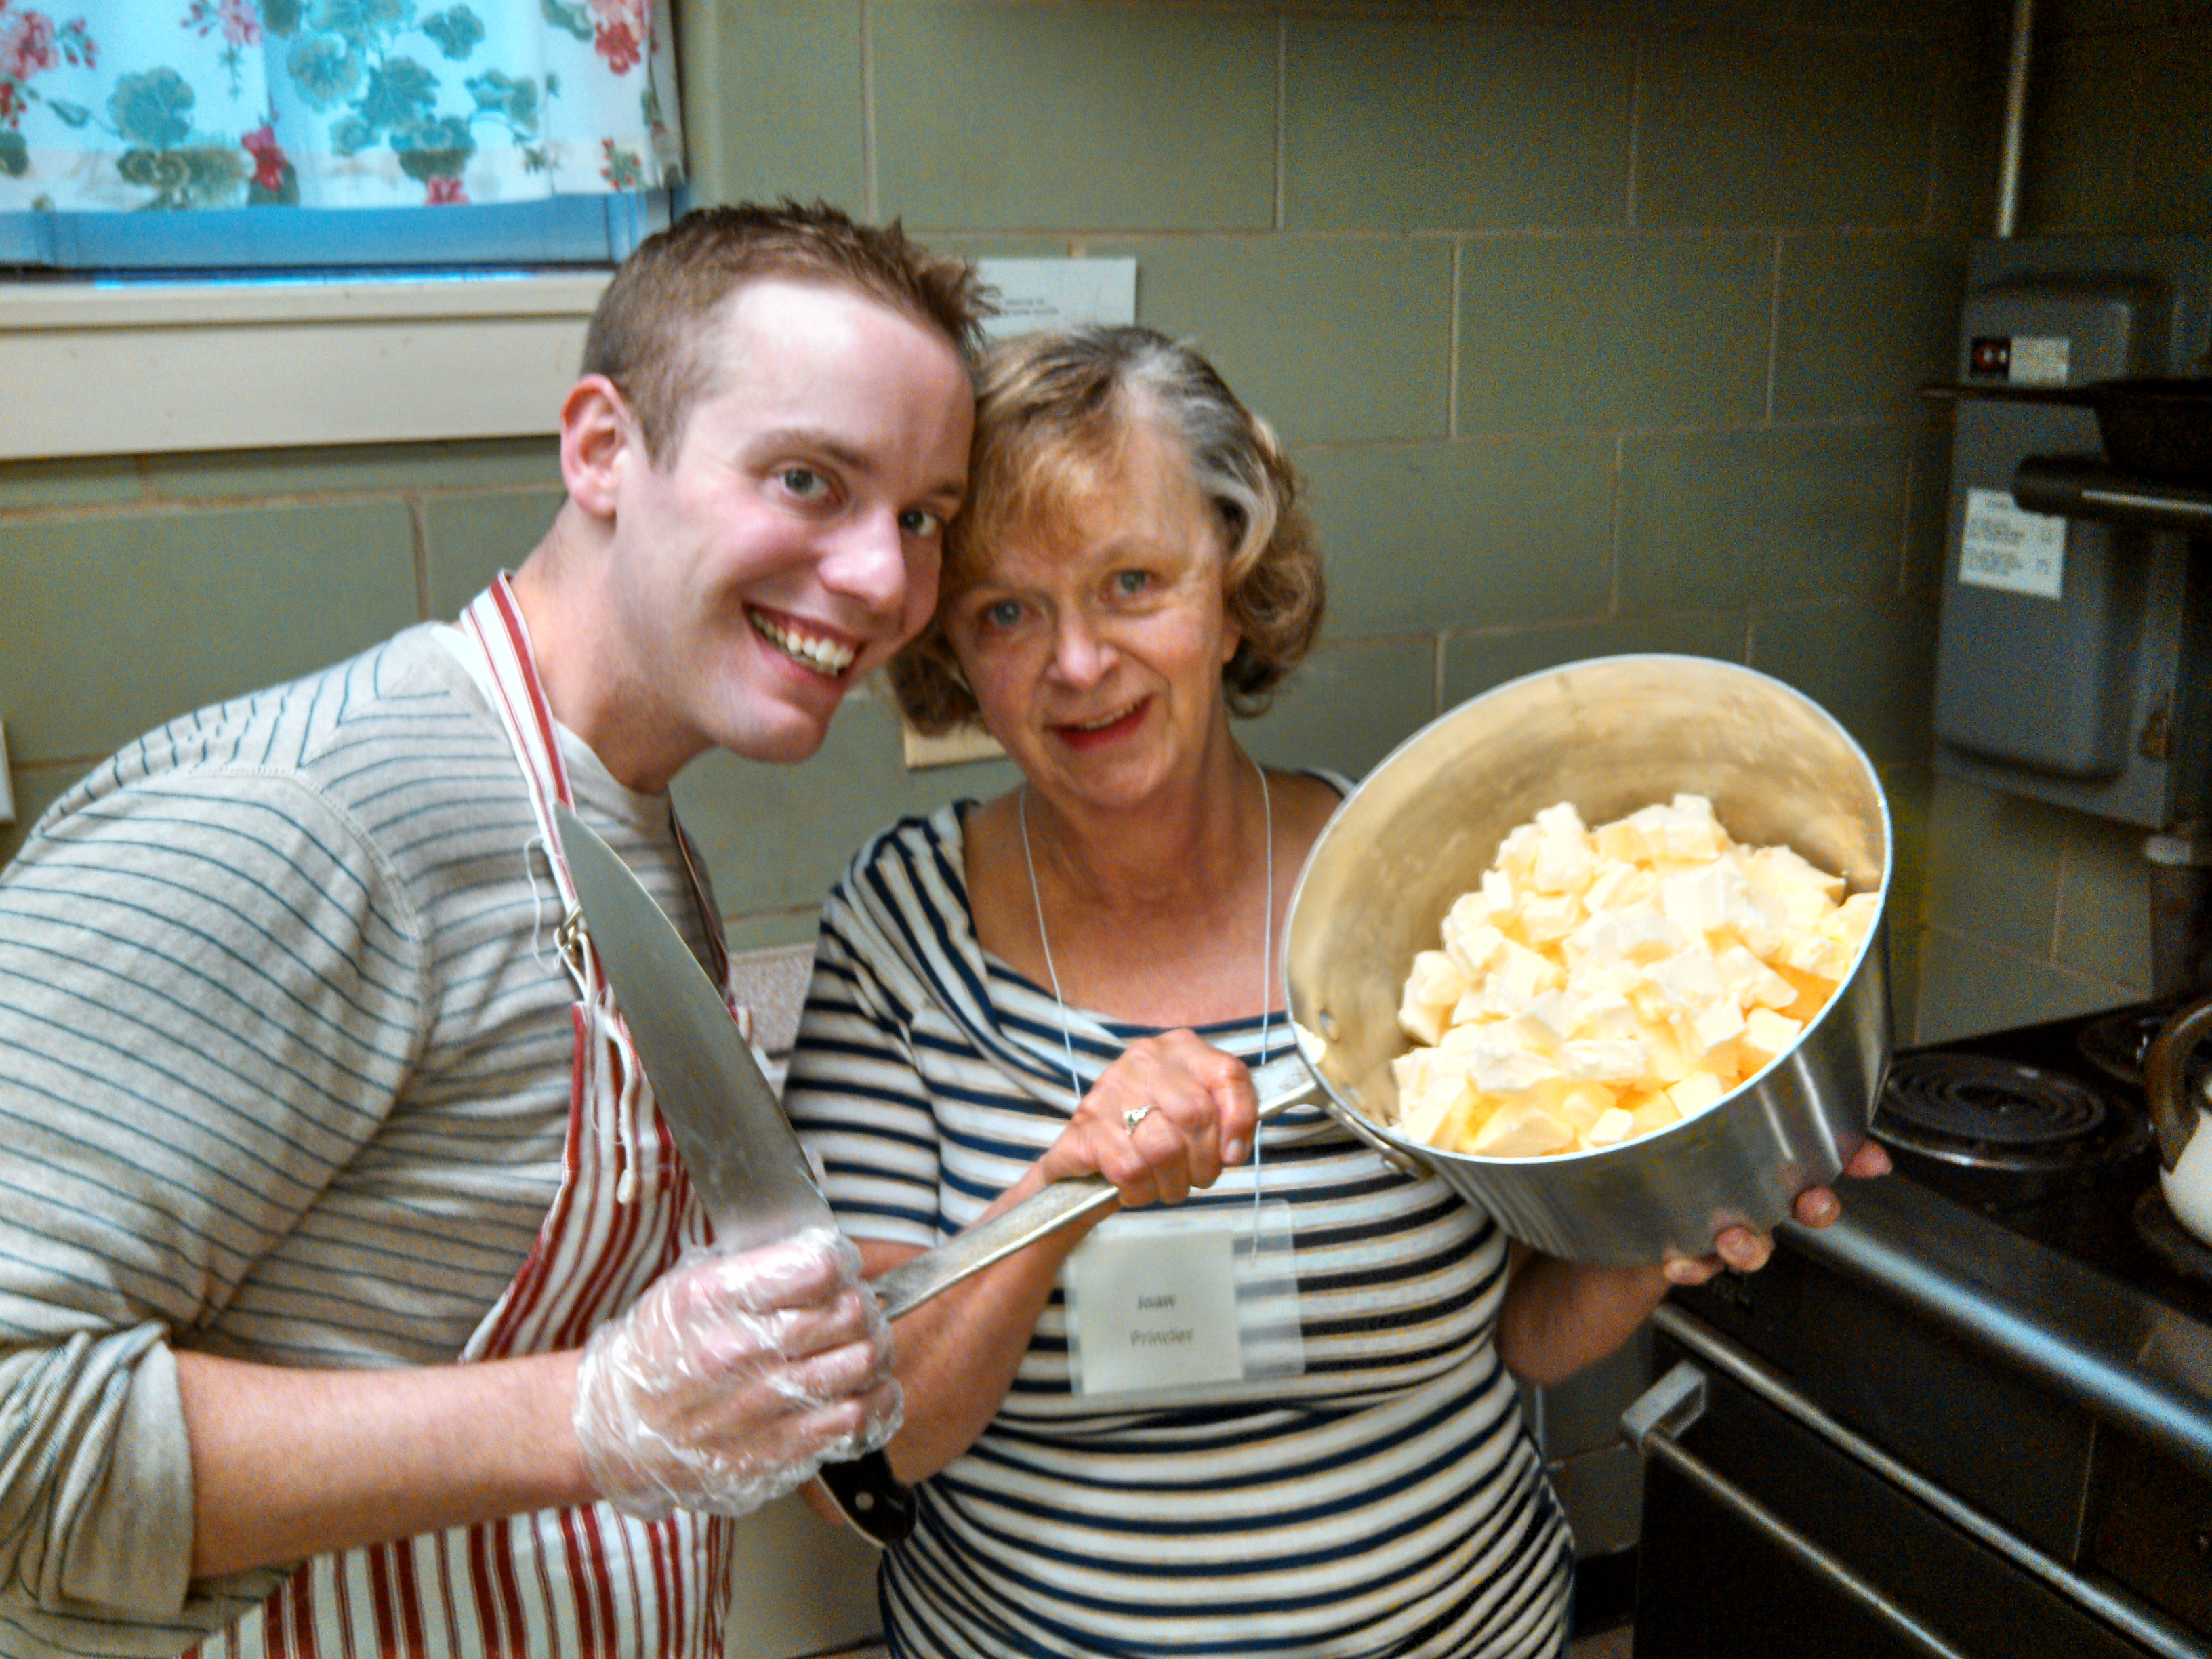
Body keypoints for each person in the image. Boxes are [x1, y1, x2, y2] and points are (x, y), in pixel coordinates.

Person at [781, 325, 1891, 1658]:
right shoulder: (901, 930)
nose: (1076, 663)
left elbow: (1530, 1337)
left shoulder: (1421, 896)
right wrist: (1062, 1189)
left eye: (1133, 581)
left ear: (1237, 588)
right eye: (1009, 611)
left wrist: (1674, 1213)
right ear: (952, 650)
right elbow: (859, 1465)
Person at [0, 201, 983, 1657]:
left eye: (922, 516)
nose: (887, 581)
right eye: (807, 479)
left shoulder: (624, 815)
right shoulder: (307, 822)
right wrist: (590, 1414)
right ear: (600, 448)